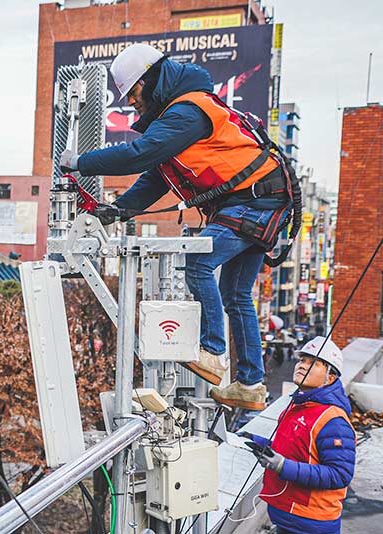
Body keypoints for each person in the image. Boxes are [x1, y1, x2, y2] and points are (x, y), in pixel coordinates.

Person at [59, 43, 292, 410]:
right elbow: (156, 176)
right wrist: (119, 210)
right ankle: (250, 384)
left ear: (151, 80)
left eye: (134, 93)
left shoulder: (189, 111)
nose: (133, 104)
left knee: (198, 263)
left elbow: (141, 155)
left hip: (252, 202)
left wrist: (80, 162)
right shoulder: (180, 115)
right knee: (235, 294)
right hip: (261, 200)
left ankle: (213, 352)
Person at [240, 337, 356, 534]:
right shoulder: (297, 406)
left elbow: (340, 475)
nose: (302, 366)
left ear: (330, 377)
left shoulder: (333, 420)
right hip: (287, 519)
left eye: (313, 363)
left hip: (311, 524)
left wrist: (283, 466)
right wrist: (253, 440)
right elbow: (293, 448)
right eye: (302, 360)